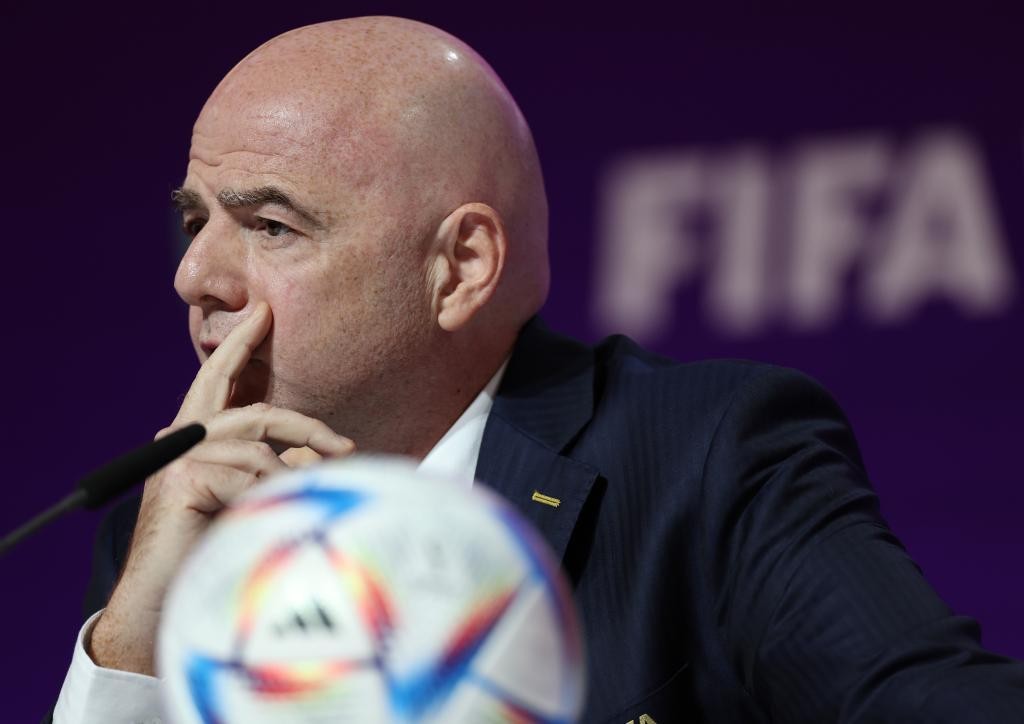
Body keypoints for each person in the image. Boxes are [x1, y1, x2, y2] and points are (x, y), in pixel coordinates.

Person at [52, 16, 1024, 724]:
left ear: (459, 268)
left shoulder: (703, 462)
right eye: (195, 221)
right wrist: (132, 634)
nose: (194, 276)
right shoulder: (179, 531)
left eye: (270, 226)